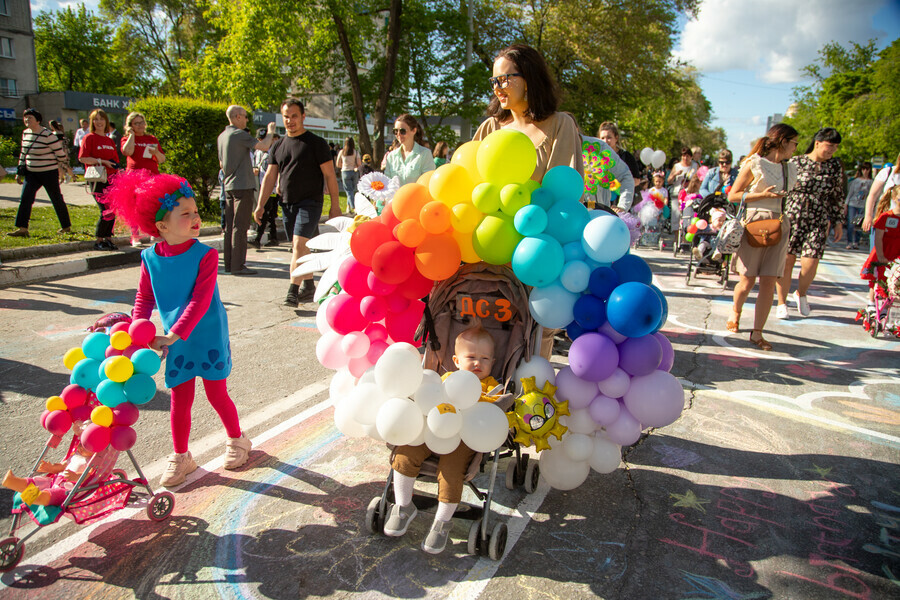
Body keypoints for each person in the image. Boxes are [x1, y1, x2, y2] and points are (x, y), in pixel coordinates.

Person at [104, 170, 252, 488]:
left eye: (196, 211)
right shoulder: (149, 258)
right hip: (177, 339)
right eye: (185, 214)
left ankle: (238, 439)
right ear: (161, 226)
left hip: (206, 334)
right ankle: (182, 454)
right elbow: (143, 298)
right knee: (180, 398)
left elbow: (200, 301)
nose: (195, 218)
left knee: (216, 393)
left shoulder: (206, 255)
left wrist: (173, 334)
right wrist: (136, 332)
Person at [473, 43, 583, 360]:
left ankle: (529, 405)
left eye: (506, 78)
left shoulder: (561, 124)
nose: (498, 87)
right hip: (492, 253)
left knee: (535, 340)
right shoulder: (490, 128)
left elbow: (564, 192)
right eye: (494, 81)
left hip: (537, 255)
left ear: (529, 78)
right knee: (487, 338)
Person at [385, 325, 500, 554]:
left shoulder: (491, 388)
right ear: (456, 360)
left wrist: (479, 456)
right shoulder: (445, 379)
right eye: (471, 357)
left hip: (464, 441)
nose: (478, 363)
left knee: (450, 472)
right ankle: (403, 506)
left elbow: (491, 422)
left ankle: (442, 523)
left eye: (485, 358)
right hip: (432, 431)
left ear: (493, 362)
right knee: (406, 451)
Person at [254, 98, 341, 307]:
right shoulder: (278, 146)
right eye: (286, 117)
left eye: (294, 116)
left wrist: (335, 206)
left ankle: (292, 291)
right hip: (287, 203)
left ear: (303, 116)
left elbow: (330, 176)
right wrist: (260, 205)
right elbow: (269, 178)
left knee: (298, 244)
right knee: (303, 247)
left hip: (310, 202)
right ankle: (309, 285)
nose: (290, 121)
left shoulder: (316, 143)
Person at [726, 123, 799, 351]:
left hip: (778, 224)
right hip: (754, 222)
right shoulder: (754, 163)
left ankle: (757, 332)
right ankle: (736, 312)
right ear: (783, 141)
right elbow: (733, 195)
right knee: (746, 280)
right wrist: (760, 195)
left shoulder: (789, 168)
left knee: (769, 281)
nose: (796, 148)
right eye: (794, 143)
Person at [774, 128, 844, 319]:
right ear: (818, 142)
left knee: (811, 262)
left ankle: (801, 293)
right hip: (793, 215)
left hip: (819, 217)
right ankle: (781, 302)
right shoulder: (796, 162)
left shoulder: (835, 166)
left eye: (836, 147)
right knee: (787, 260)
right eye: (830, 146)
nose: (832, 150)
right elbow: (783, 189)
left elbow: (837, 195)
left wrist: (838, 221)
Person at [217, 105, 276, 276]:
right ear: (236, 117)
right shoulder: (238, 134)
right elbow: (264, 146)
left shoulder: (222, 136)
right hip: (243, 184)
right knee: (240, 226)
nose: (246, 119)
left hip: (228, 185)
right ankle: (238, 265)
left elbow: (222, 163)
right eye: (244, 116)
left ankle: (229, 264)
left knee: (229, 226)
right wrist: (271, 132)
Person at [9, 109, 71, 238]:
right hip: (31, 173)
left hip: (48, 172)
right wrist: (19, 172)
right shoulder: (25, 133)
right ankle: (22, 228)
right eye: (25, 118)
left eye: (30, 118)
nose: (27, 120)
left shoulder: (47, 135)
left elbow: (60, 154)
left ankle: (66, 226)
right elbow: (23, 153)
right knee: (26, 198)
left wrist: (61, 167)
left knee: (56, 198)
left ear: (38, 120)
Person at [2, 421, 94, 506]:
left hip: (67, 489)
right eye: (80, 444)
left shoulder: (92, 461)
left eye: (86, 447)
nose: (81, 448)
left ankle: (37, 498)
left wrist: (76, 476)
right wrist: (50, 468)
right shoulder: (76, 455)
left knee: (51, 494)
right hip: (55, 481)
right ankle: (13, 482)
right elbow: (62, 466)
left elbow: (90, 476)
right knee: (40, 481)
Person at [78, 108, 120, 250]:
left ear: (106, 121)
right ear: (92, 122)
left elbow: (115, 160)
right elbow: (83, 158)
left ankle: (108, 238)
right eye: (96, 119)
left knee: (113, 209)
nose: (99, 122)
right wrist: (102, 161)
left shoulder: (109, 140)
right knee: (105, 210)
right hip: (98, 179)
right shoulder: (89, 138)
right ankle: (99, 240)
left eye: (102, 119)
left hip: (111, 178)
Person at [860, 187, 900, 313]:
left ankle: (886, 309)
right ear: (894, 198)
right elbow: (878, 238)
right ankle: (871, 302)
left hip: (897, 254)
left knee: (894, 283)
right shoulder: (886, 217)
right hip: (884, 252)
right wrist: (881, 255)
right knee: (878, 279)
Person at [383, 114, 435, 185]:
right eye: (395, 131)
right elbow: (387, 183)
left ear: (414, 130)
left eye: (402, 131)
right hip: (395, 196)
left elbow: (428, 183)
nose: (398, 134)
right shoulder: (391, 156)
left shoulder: (425, 154)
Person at [862, 155, 900, 251]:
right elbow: (872, 196)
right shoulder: (888, 172)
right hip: (884, 221)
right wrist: (868, 216)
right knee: (877, 255)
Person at [250, 129, 281, 249]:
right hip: (260, 186)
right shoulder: (258, 152)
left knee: (265, 212)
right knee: (270, 214)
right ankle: (273, 238)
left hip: (271, 189)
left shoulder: (274, 152)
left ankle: (257, 239)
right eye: (259, 139)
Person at [598, 122, 641, 191]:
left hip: (621, 197)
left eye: (609, 137)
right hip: (602, 199)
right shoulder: (596, 158)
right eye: (602, 138)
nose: (605, 141)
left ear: (616, 138)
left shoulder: (626, 156)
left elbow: (637, 180)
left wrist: (617, 185)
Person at [845, 162, 872, 250]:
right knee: (851, 224)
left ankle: (856, 242)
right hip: (853, 204)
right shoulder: (856, 181)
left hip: (863, 205)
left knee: (859, 224)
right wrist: (846, 204)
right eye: (863, 169)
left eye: (867, 169)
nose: (865, 171)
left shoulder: (871, 182)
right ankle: (849, 242)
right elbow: (850, 193)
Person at [335, 136, 362, 213]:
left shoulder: (342, 152)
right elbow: (359, 163)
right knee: (351, 190)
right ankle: (349, 207)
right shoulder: (355, 152)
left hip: (345, 172)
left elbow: (337, 164)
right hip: (354, 172)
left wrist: (343, 166)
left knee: (348, 191)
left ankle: (352, 207)